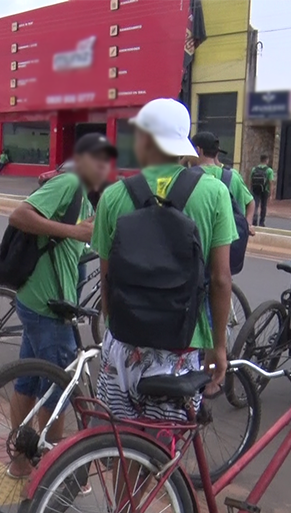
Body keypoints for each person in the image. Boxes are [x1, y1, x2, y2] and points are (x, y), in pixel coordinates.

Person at [91, 98, 236, 422]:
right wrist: (218, 346)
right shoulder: (214, 193)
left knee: (121, 445)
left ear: (143, 140)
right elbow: (221, 279)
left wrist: (120, 330)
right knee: (160, 456)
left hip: (124, 345)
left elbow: (106, 278)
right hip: (181, 348)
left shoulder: (113, 195)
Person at [5, 133, 114, 477]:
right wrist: (73, 231)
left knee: (28, 381)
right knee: (59, 388)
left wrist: (89, 238)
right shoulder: (68, 183)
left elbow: (72, 244)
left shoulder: (82, 194)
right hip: (48, 305)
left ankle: (21, 464)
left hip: (40, 301)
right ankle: (53, 473)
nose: (103, 168)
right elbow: (19, 215)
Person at [191, 131, 256, 236]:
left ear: (198, 150)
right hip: (233, 243)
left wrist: (183, 160)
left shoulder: (189, 177)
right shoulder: (233, 176)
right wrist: (247, 224)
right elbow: (251, 202)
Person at [249, 155, 274, 227]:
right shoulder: (269, 170)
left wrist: (251, 189)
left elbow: (251, 180)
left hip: (255, 189)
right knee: (263, 206)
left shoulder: (254, 169)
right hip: (264, 190)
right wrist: (271, 193)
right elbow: (270, 182)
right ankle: (261, 222)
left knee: (255, 205)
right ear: (266, 160)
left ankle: (254, 221)